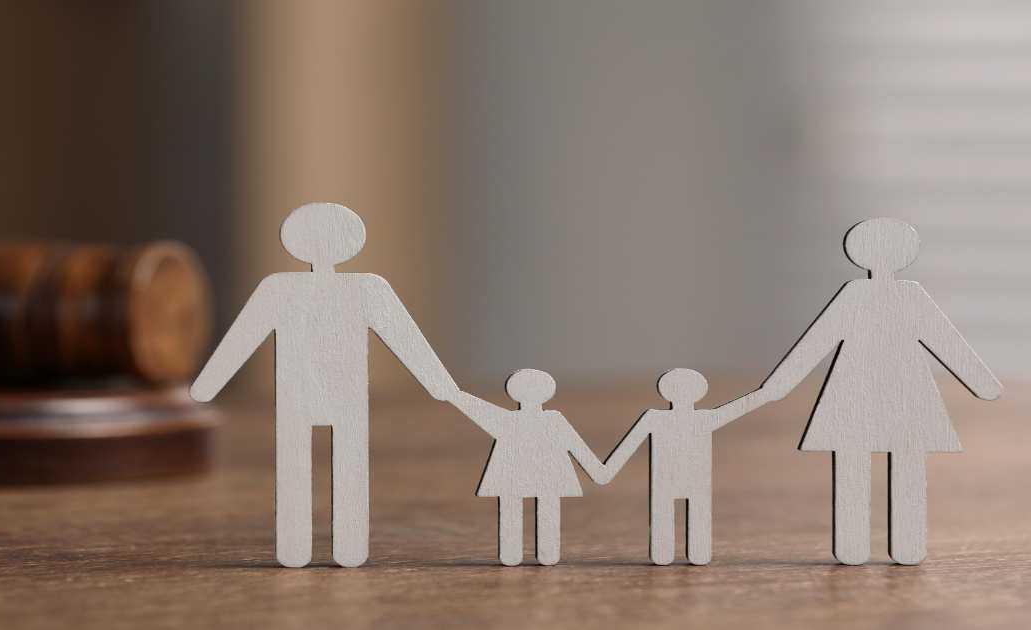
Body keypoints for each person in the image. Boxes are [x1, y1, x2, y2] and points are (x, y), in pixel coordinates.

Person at [190, 203, 458, 568]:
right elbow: (243, 337)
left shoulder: (287, 289)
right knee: (333, 465)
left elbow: (404, 337)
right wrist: (439, 385)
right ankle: (330, 548)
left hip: (314, 393)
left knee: (308, 466)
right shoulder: (360, 289)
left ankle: (312, 548)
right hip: (320, 393)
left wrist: (206, 388)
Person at [759, 218, 1002, 565]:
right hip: (885, 395)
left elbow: (946, 342)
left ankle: (866, 546)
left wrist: (779, 385)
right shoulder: (885, 296)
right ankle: (886, 545)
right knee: (891, 466)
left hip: (870, 395)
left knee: (868, 466)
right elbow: (948, 345)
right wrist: (984, 384)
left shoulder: (873, 295)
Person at [604, 369, 767, 565]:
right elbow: (740, 407)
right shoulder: (698, 418)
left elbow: (626, 447)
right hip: (681, 478)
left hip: (677, 479)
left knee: (675, 514)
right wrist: (766, 393)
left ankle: (670, 554)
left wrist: (606, 470)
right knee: (689, 514)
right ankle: (683, 554)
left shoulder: (661, 418)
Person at [449, 369, 607, 566]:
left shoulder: (510, 420)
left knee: (516, 508)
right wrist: (598, 470)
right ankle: (542, 553)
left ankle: (516, 554)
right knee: (538, 507)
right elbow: (577, 447)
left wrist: (454, 395)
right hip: (544, 476)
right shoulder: (546, 419)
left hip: (520, 475)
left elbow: (478, 410)